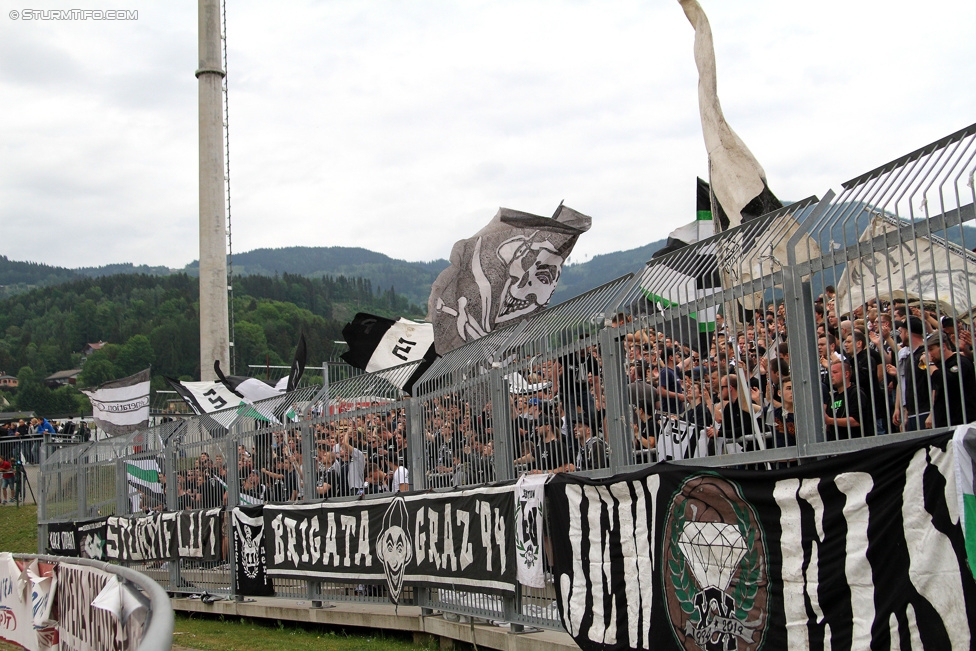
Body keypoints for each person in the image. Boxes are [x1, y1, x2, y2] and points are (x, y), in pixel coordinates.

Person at [924, 333, 976, 428]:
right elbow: (936, 389)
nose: (929, 354)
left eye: (931, 349)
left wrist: (930, 363)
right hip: (944, 421)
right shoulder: (939, 366)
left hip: (961, 421)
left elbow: (946, 381)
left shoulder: (960, 361)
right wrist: (932, 414)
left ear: (943, 346)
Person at [824, 361, 872, 440]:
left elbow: (856, 421)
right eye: (830, 373)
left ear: (846, 374)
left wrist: (830, 421)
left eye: (835, 372)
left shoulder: (856, 393)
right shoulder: (833, 397)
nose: (831, 375)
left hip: (856, 443)